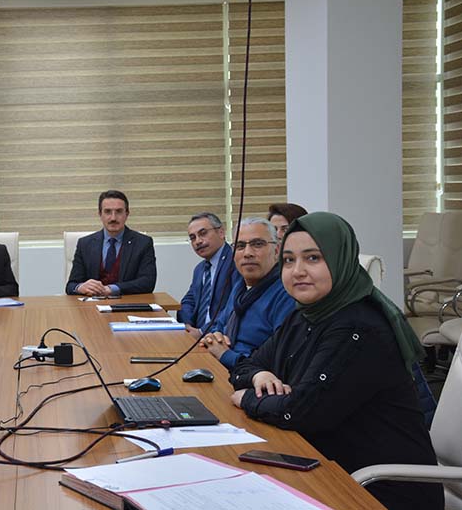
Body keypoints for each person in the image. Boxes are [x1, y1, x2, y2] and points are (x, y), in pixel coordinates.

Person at [229, 212, 443, 510]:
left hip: (377, 490)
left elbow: (300, 412)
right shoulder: (305, 314)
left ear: (341, 259)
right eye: (289, 260)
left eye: (313, 258)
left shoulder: (358, 327)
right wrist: (258, 376)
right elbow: (244, 366)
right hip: (325, 467)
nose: (298, 271)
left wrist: (247, 398)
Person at [200, 218, 295, 370]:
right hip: (220, 367)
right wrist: (214, 337)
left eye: (257, 244)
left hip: (251, 376)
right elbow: (219, 325)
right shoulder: (240, 287)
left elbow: (277, 360)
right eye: (240, 246)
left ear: (277, 250)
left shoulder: (286, 294)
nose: (248, 253)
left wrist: (225, 355)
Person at [65, 190, 156, 296]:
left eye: (119, 211)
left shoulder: (143, 243)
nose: (113, 218)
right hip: (91, 303)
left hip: (126, 302)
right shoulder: (85, 244)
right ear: (100, 214)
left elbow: (147, 283)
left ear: (127, 214)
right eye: (107, 211)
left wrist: (112, 289)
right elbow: (71, 286)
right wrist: (80, 287)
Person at [180, 212, 241, 331]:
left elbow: (232, 308)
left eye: (203, 233)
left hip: (220, 334)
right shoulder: (200, 269)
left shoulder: (235, 262)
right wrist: (187, 325)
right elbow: (188, 301)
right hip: (196, 333)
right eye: (193, 238)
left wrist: (201, 332)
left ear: (221, 232)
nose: (198, 241)